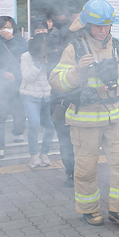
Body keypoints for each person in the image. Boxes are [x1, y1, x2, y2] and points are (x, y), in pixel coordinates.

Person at [49, 0, 119, 226]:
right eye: (98, 26)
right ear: (88, 25)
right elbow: (56, 82)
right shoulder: (74, 48)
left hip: (116, 116)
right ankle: (89, 209)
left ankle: (118, 209)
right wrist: (77, 71)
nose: (102, 30)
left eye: (106, 26)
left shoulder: (118, 47)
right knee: (86, 168)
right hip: (85, 119)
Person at [0, 15, 27, 160]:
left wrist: (13, 41)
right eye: (3, 28)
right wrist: (1, 73)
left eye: (8, 27)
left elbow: (26, 59)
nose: (6, 30)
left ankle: (18, 131)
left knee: (20, 112)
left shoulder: (20, 42)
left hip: (18, 83)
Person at [46, 15, 78, 188]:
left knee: (70, 142)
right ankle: (72, 172)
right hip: (63, 104)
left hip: (73, 104)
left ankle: (74, 172)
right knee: (67, 141)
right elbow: (54, 81)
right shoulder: (59, 55)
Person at [20, 33, 55, 169]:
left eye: (46, 46)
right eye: (41, 46)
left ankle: (44, 153)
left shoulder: (52, 56)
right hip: (30, 95)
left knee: (51, 126)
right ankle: (34, 155)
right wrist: (39, 63)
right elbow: (27, 77)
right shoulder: (26, 56)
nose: (43, 49)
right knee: (34, 124)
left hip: (47, 95)